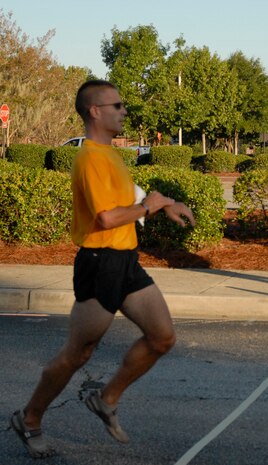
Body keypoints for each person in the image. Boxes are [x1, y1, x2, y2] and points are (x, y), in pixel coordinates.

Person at [10, 80, 196, 459]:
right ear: (95, 111)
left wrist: (165, 203)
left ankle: (106, 398)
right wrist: (150, 208)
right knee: (77, 354)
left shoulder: (110, 155)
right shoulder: (90, 158)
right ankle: (29, 418)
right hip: (99, 263)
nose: (123, 110)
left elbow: (130, 196)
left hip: (126, 261)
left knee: (162, 338)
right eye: (117, 105)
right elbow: (108, 217)